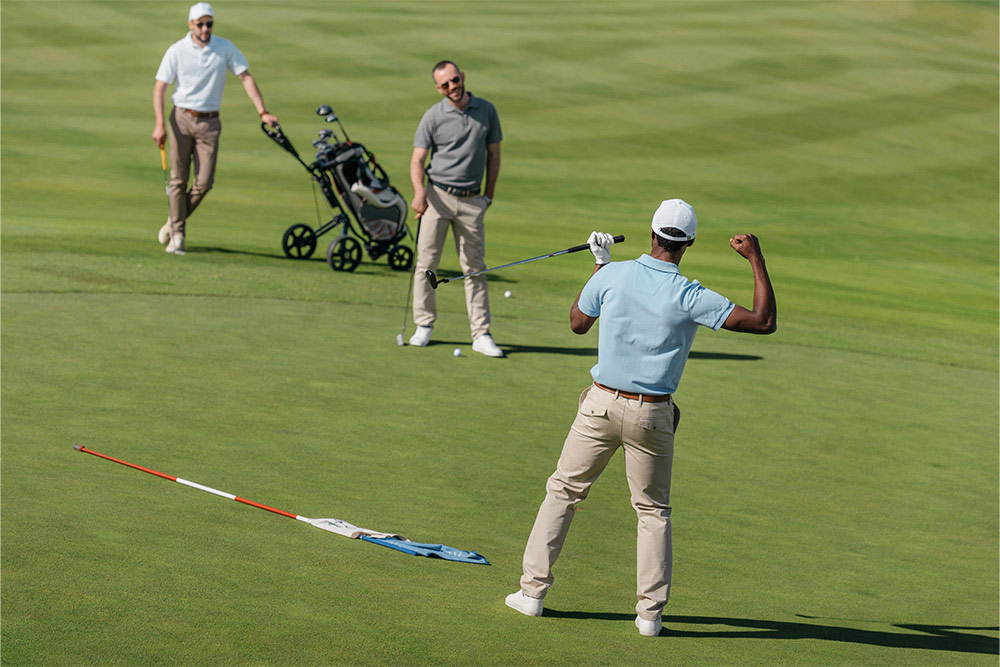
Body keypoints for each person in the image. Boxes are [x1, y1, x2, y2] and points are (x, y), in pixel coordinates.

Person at [504, 199, 777, 637]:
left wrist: (600, 264)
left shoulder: (613, 274)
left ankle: (532, 594)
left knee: (563, 492)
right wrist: (756, 259)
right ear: (687, 243)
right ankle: (649, 616)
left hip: (599, 406)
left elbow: (577, 323)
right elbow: (764, 321)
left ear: (652, 234)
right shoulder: (690, 294)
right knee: (652, 512)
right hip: (653, 415)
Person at [151, 2, 278, 256]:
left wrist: (262, 111)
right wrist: (159, 124)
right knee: (178, 180)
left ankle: (174, 219)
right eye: (200, 24)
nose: (205, 28)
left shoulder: (224, 48)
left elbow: (245, 76)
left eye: (209, 24)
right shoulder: (177, 50)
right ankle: (178, 236)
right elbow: (160, 87)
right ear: (190, 25)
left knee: (205, 182)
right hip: (181, 118)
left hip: (210, 123)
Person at [408, 60, 504, 357]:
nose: (452, 87)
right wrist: (420, 192)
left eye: (454, 80)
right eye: (445, 84)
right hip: (437, 196)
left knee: (474, 268)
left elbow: (494, 154)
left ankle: (481, 334)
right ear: (438, 88)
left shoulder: (486, 110)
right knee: (427, 264)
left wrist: (487, 196)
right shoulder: (433, 116)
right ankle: (424, 325)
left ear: (462, 77)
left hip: (472, 199)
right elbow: (417, 161)